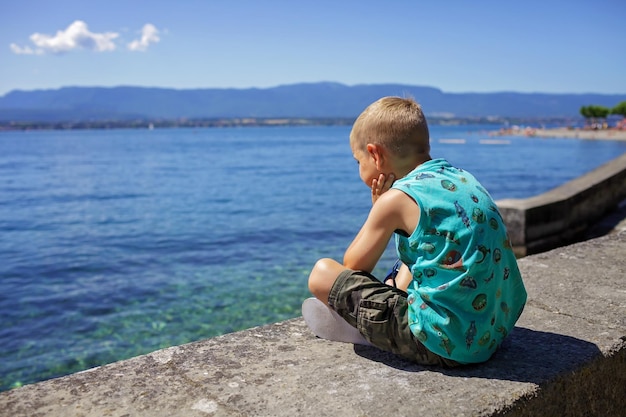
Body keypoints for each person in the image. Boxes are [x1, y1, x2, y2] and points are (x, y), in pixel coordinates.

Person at [308, 96, 527, 366]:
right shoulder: (461, 178)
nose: (359, 169)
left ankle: (369, 332)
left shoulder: (395, 199)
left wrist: (378, 209)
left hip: (445, 344)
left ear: (375, 155)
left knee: (322, 274)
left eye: (358, 161)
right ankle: (395, 297)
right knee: (423, 249)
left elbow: (353, 267)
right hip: (494, 330)